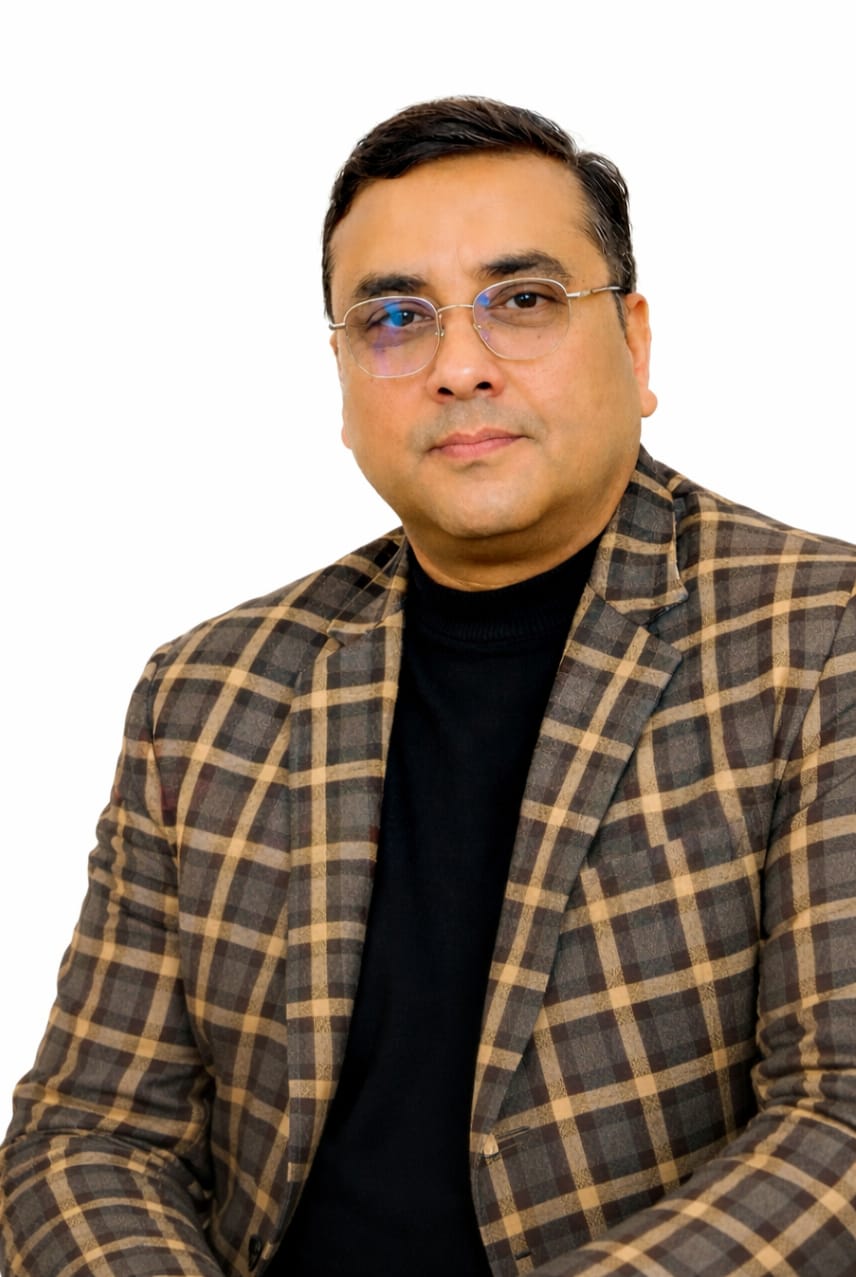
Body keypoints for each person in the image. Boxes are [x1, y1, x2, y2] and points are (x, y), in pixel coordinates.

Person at [1, 96, 855, 1277]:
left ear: (636, 342)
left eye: (523, 301)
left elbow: (838, 1122)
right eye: (395, 318)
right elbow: (89, 1134)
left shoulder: (818, 639)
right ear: (345, 374)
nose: (458, 367)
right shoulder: (205, 694)